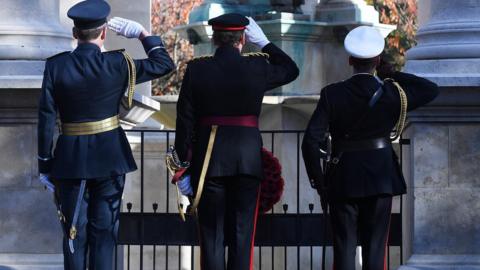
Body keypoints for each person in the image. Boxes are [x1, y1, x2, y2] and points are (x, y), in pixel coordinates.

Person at [37, 1, 174, 269]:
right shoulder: (118, 63)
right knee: (104, 235)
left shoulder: (56, 66)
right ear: (104, 33)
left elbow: (46, 118)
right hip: (110, 157)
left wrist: (44, 163)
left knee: (74, 232)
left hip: (69, 160)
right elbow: (164, 63)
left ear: (75, 34)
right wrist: (142, 34)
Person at [302, 26, 439, 270]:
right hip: (380, 178)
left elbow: (311, 141)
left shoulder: (332, 94)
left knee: (344, 247)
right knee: (375, 249)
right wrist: (393, 74)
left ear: (350, 60)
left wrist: (319, 181)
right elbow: (430, 90)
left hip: (343, 178)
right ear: (377, 60)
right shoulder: (391, 93)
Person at [174, 13, 299, 270]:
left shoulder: (197, 69)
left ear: (214, 39)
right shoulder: (258, 66)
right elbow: (291, 69)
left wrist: (183, 165)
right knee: (243, 235)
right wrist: (264, 43)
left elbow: (184, 121)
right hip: (246, 160)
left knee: (212, 236)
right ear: (243, 37)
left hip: (209, 161)